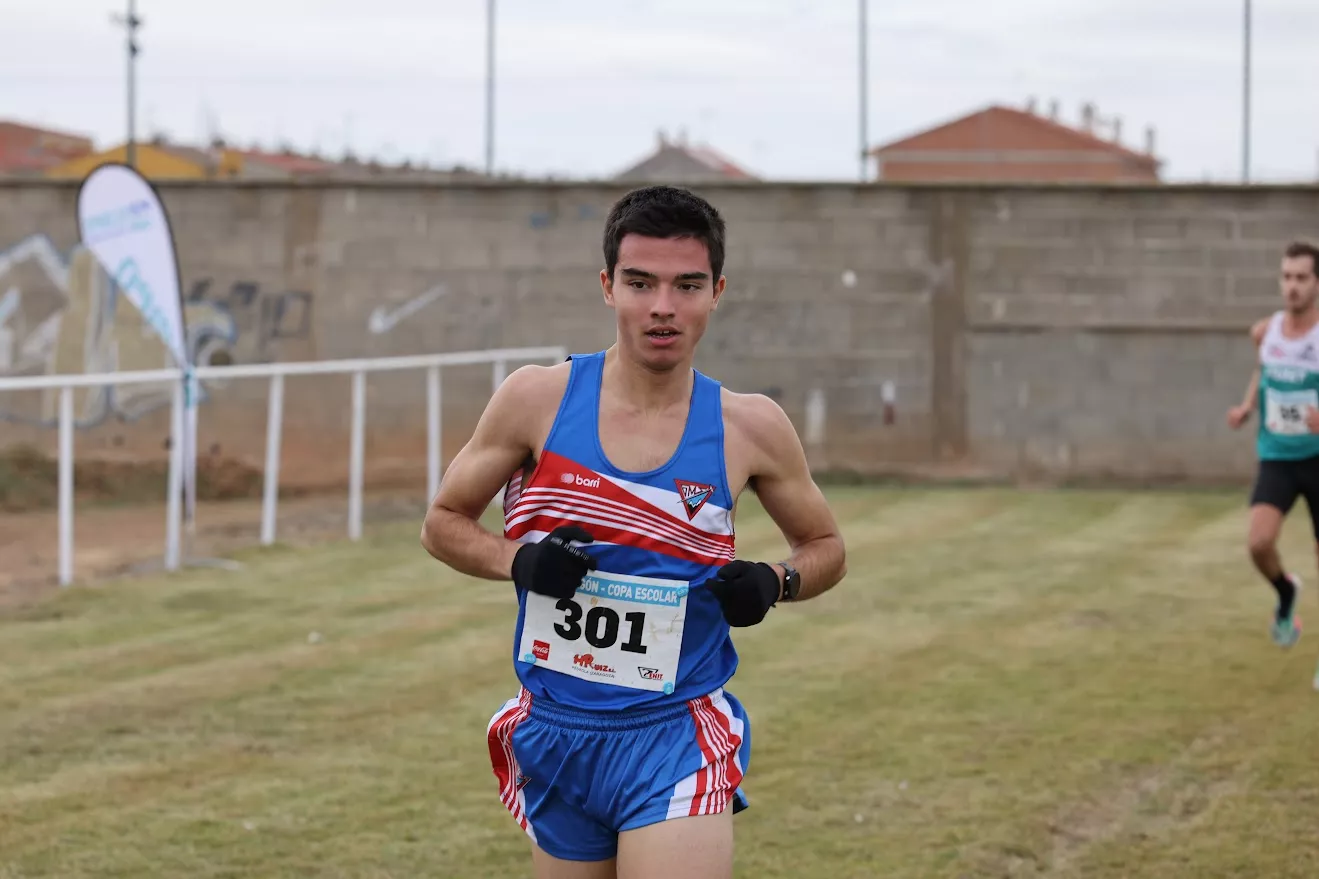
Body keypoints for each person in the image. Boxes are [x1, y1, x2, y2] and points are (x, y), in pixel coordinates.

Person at [420, 184, 847, 878]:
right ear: (607, 286)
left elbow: (826, 549)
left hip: (677, 732)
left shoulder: (748, 425)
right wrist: (519, 561)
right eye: (640, 282)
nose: (662, 307)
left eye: (687, 285)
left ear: (716, 291)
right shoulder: (536, 398)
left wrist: (776, 580)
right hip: (557, 730)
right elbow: (442, 523)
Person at [1227, 240, 1319, 654]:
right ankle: (1286, 593)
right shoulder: (1265, 331)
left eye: (1301, 278)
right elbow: (1263, 371)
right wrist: (1248, 405)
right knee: (1259, 544)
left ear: (1316, 283)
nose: (1292, 286)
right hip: (1278, 458)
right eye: (1286, 277)